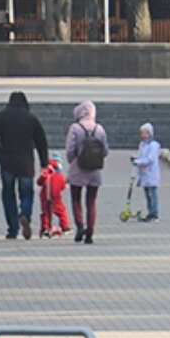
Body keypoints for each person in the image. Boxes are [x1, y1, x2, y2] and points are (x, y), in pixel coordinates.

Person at [0, 91, 49, 240]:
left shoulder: (0, 117)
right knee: (27, 193)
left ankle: (13, 228)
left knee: (8, 194)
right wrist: (44, 163)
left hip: (7, 162)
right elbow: (41, 142)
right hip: (26, 163)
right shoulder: (31, 118)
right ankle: (25, 215)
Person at [65, 100, 109, 245]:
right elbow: (105, 150)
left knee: (76, 199)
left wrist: (72, 161)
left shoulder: (75, 128)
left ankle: (80, 226)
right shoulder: (99, 128)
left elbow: (70, 149)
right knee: (91, 202)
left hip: (78, 168)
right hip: (94, 170)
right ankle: (90, 232)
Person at [132, 122, 162, 223]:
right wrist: (135, 158)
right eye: (142, 133)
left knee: (152, 194)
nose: (143, 135)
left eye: (145, 133)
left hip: (151, 174)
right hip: (144, 174)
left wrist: (138, 162)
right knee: (147, 195)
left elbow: (150, 159)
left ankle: (154, 214)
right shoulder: (142, 145)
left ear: (150, 134)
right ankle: (150, 213)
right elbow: (141, 155)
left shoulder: (154, 145)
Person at [36, 155, 70, 238]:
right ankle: (65, 226)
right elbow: (63, 186)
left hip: (44, 196)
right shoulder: (59, 176)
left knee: (45, 212)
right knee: (61, 211)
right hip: (56, 196)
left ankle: (45, 227)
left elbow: (39, 182)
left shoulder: (45, 174)